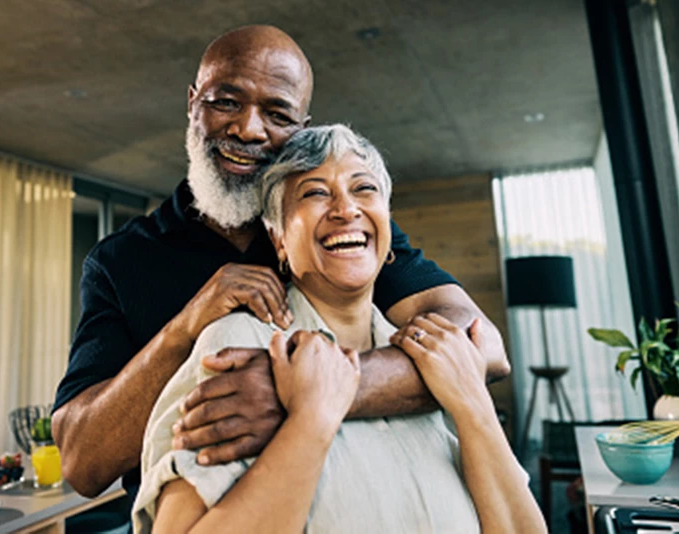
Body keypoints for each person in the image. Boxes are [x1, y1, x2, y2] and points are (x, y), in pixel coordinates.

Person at [51, 25, 510, 508]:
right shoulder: (120, 260)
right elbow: (83, 464)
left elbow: (483, 347)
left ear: (301, 126)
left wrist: (301, 394)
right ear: (192, 104)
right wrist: (183, 329)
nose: (249, 130)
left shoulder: (336, 234)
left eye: (277, 114)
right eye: (226, 102)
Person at [133, 124, 545, 533]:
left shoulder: (433, 355)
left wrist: (473, 405)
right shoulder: (238, 347)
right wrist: (311, 418)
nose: (346, 210)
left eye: (364, 189)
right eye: (314, 192)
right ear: (278, 239)